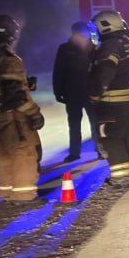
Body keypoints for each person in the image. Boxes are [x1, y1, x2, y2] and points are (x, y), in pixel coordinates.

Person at [0, 14, 44, 202]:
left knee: (3, 153)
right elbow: (16, 96)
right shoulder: (9, 59)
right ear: (9, 35)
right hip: (13, 117)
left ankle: (6, 191)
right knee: (23, 152)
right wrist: (35, 113)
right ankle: (24, 195)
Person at [89, 9, 129, 187]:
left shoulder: (110, 46)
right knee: (124, 135)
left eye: (97, 28)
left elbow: (104, 72)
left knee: (110, 137)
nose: (96, 32)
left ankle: (121, 177)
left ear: (105, 26)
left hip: (111, 101)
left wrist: (95, 93)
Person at [53, 21, 97, 162]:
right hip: (72, 93)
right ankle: (74, 153)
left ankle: (100, 149)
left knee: (95, 123)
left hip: (90, 92)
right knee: (74, 125)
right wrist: (58, 91)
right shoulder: (65, 49)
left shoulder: (94, 47)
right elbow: (58, 71)